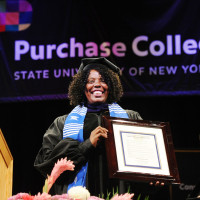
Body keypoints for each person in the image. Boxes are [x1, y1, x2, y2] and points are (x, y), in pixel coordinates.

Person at [34, 57, 160, 198]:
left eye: (103, 80)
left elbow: (143, 159)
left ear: (111, 85)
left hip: (120, 193)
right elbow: (48, 165)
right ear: (82, 87)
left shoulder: (130, 118)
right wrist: (87, 145)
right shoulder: (62, 123)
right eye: (90, 81)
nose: (97, 85)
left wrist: (152, 179)